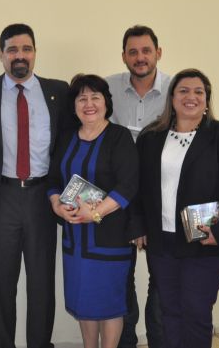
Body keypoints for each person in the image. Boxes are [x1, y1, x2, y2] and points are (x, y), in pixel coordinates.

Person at [0, 23, 70, 348]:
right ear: (1, 55)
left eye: (26, 49)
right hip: (2, 197)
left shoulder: (59, 92)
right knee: (0, 285)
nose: (19, 55)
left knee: (41, 284)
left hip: (43, 197)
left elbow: (74, 141)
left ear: (35, 53)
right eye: (12, 50)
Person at [133, 68, 219, 348]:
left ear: (207, 100)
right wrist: (138, 226)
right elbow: (139, 188)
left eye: (199, 92)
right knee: (169, 312)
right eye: (184, 91)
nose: (192, 97)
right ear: (172, 98)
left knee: (196, 312)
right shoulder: (150, 138)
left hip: (205, 240)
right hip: (162, 241)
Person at [48, 74, 140, 348]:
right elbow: (53, 180)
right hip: (75, 240)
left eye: (95, 97)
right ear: (74, 105)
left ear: (106, 103)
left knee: (110, 304)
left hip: (110, 239)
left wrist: (96, 213)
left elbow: (128, 185)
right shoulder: (66, 138)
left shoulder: (119, 136)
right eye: (82, 98)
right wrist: (56, 204)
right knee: (84, 301)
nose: (89, 104)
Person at [106, 25, 169, 348]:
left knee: (162, 281)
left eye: (146, 51)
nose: (140, 57)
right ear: (123, 56)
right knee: (121, 279)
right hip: (119, 198)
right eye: (133, 52)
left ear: (158, 53)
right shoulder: (107, 89)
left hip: (163, 199)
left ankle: (158, 340)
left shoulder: (177, 89)